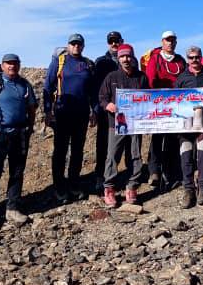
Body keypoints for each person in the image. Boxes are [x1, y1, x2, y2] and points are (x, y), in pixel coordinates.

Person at [0, 53, 38, 230]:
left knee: (17, 172)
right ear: (2, 66)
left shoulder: (25, 84)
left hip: (19, 134)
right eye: (8, 63)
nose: (12, 66)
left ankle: (12, 207)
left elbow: (31, 108)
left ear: (19, 65)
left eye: (15, 63)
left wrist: (30, 127)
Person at [43, 33, 98, 203]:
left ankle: (74, 183)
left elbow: (93, 91)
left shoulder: (88, 64)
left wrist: (95, 111)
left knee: (77, 151)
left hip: (81, 114)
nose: (76, 46)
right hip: (62, 113)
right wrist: (48, 111)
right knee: (60, 150)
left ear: (83, 46)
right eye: (73, 43)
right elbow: (48, 86)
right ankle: (59, 186)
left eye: (79, 44)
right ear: (68, 45)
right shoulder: (60, 62)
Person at [99, 43, 148, 208]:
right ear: (118, 59)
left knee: (135, 155)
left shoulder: (141, 77)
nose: (126, 59)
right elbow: (102, 97)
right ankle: (109, 189)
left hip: (135, 123)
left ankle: (132, 187)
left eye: (128, 56)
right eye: (122, 56)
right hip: (116, 123)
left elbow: (149, 98)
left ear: (132, 57)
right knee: (113, 155)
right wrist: (108, 105)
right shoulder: (111, 77)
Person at [144, 30, 186, 190]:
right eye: (168, 40)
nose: (170, 43)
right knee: (157, 138)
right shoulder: (155, 59)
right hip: (159, 104)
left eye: (173, 40)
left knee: (172, 139)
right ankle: (154, 171)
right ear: (162, 41)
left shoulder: (180, 60)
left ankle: (169, 171)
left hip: (176, 105)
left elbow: (184, 78)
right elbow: (150, 80)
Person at [176, 45, 203, 208]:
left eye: (197, 57)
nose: (194, 60)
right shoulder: (181, 78)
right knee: (186, 156)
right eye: (191, 57)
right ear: (187, 59)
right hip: (185, 124)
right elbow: (173, 99)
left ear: (201, 57)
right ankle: (188, 190)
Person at [91, 31, 123, 192]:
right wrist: (97, 108)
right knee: (103, 144)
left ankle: (117, 175)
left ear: (121, 41)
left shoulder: (129, 59)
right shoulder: (101, 62)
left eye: (116, 41)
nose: (114, 44)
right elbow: (96, 87)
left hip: (125, 110)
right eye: (111, 41)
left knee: (122, 144)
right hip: (106, 110)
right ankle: (100, 175)